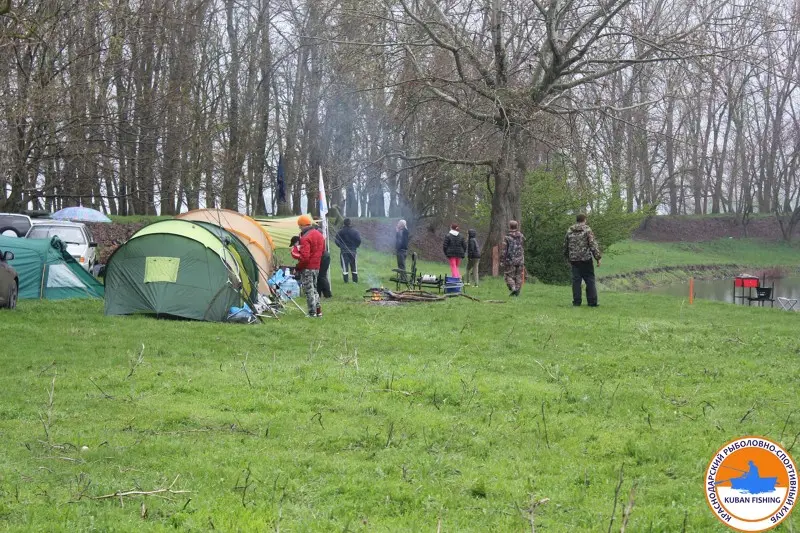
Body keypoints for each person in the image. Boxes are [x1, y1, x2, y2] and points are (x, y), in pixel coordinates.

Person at [563, 213, 602, 307]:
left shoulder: (570, 230)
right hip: (586, 259)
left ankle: (576, 302)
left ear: (577, 220)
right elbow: (592, 244)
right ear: (584, 220)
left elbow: (565, 245)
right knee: (590, 279)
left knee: (576, 281)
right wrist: (598, 258)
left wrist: (567, 257)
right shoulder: (587, 229)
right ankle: (592, 302)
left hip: (574, 260)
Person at [296, 214, 325, 317]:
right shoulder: (319, 235)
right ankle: (318, 311)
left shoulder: (305, 238)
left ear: (303, 225)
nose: (299, 228)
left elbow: (305, 257)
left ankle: (312, 312)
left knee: (309, 290)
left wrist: (298, 267)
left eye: (300, 226)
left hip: (308, 267)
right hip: (317, 266)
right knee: (315, 289)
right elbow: (323, 251)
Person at [502, 220, 525, 296]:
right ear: (517, 226)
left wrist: (502, 260)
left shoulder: (507, 237)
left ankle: (513, 288)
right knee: (518, 276)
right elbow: (522, 247)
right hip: (520, 259)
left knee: (508, 276)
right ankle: (517, 291)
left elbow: (504, 250)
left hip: (510, 260)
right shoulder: (521, 236)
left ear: (509, 226)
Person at [335, 218, 361, 282]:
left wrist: (341, 246)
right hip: (353, 251)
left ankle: (346, 281)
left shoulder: (340, 232)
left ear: (344, 223)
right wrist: (355, 246)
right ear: (350, 223)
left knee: (344, 265)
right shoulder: (355, 232)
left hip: (344, 251)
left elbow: (336, 241)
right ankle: (355, 280)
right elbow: (359, 240)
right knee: (354, 265)